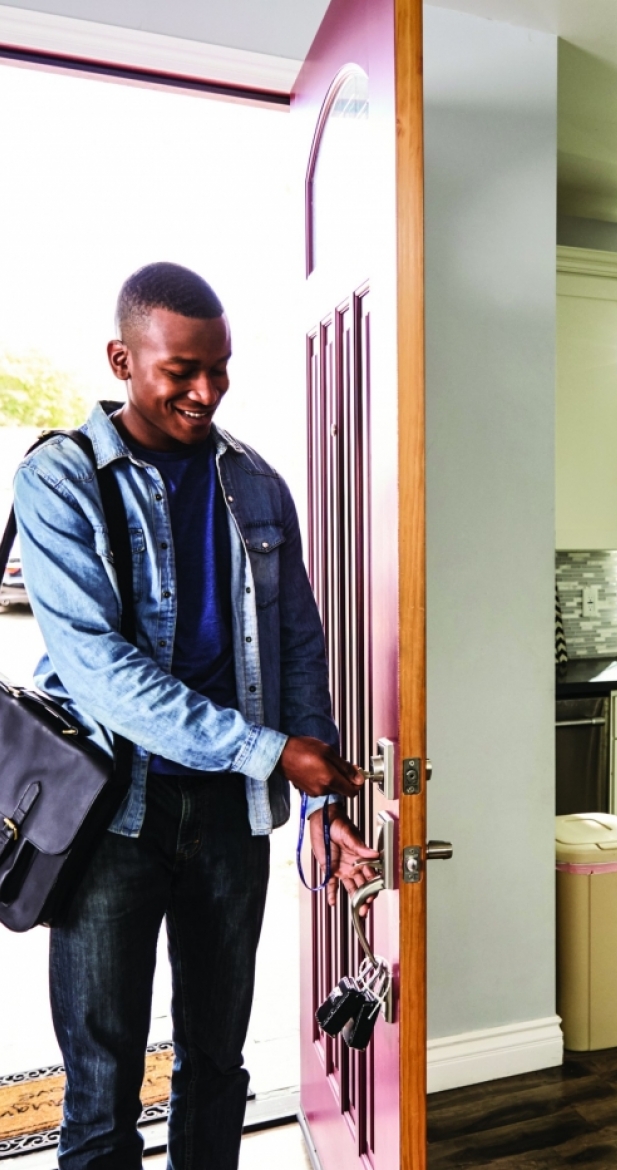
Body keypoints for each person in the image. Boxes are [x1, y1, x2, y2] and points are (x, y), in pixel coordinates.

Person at [12, 261, 378, 1170]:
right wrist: (268, 751)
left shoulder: (254, 483)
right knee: (102, 1079)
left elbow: (298, 644)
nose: (206, 391)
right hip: (109, 820)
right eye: (182, 370)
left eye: (218, 367)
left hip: (227, 816)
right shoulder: (59, 479)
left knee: (216, 1061)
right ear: (123, 359)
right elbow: (100, 673)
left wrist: (325, 802)